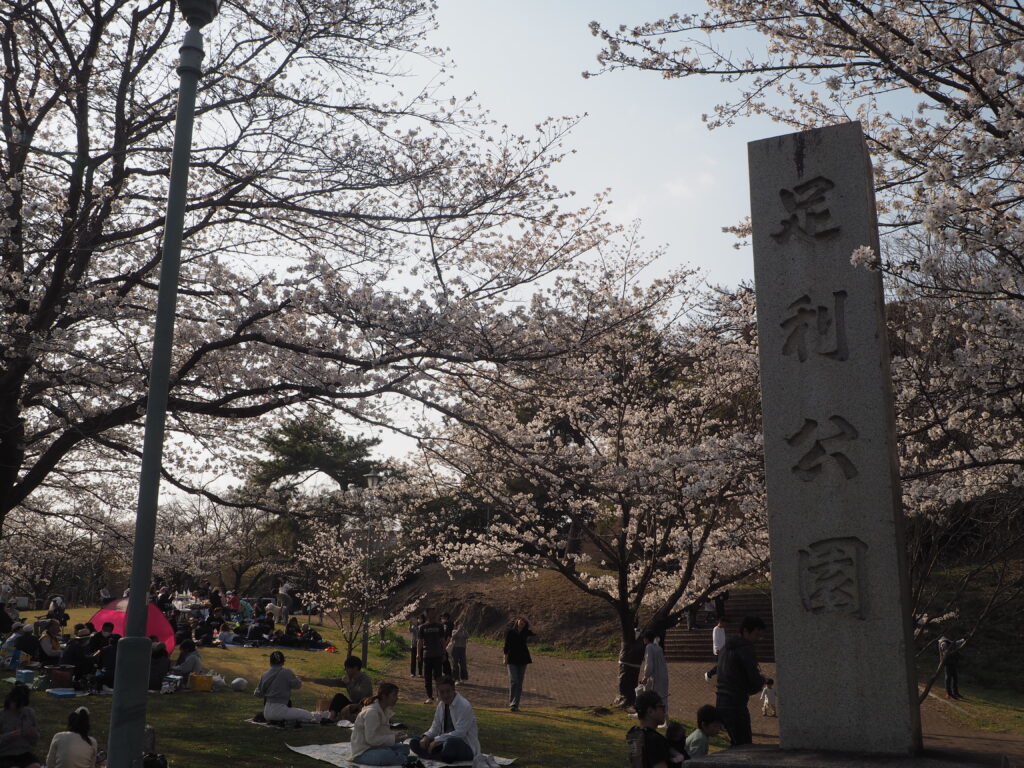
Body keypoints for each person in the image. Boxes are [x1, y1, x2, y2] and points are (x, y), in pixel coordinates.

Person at [715, 615, 766, 747]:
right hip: (736, 703)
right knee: (744, 746)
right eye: (756, 635)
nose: (758, 639)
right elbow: (753, 678)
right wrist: (760, 682)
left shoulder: (726, 648)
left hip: (721, 700)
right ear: (745, 631)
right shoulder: (745, 648)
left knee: (736, 744)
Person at [410, 676, 480, 763]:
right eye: (442, 692)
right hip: (442, 742)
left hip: (464, 745)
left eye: (448, 691)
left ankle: (434, 756)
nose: (445, 695)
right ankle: (437, 757)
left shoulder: (464, 706)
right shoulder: (441, 705)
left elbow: (460, 733)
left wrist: (437, 740)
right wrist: (426, 737)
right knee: (415, 742)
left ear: (453, 689)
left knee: (450, 744)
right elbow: (435, 727)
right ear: (437, 692)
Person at [349, 683, 410, 765]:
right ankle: (400, 758)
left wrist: (396, 735)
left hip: (377, 747)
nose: (397, 698)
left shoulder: (384, 709)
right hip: (363, 752)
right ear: (384, 696)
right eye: (394, 695)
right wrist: (394, 739)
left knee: (405, 748)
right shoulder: (372, 712)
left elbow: (382, 732)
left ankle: (396, 757)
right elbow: (371, 739)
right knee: (386, 755)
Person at [256, 651, 318, 724]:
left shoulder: (265, 674)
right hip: (280, 710)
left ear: (270, 663)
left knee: (296, 714)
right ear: (283, 662)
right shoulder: (287, 672)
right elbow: (298, 686)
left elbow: (258, 693)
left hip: (266, 712)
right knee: (308, 715)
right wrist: (297, 678)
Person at [0, 683, 41, 768]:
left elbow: (34, 742)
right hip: (5, 754)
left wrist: (34, 735)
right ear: (10, 700)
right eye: (17, 705)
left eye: (22, 705)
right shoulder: (2, 715)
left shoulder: (29, 713)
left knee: (35, 766)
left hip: (24, 752)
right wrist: (9, 735)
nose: (20, 709)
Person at [625, 690, 669, 768]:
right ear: (650, 711)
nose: (664, 711)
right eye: (662, 707)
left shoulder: (633, 733)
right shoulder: (655, 740)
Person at [502, 616, 534, 712]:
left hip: (523, 659)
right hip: (511, 659)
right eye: (521, 622)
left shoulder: (525, 632)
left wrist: (530, 622)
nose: (522, 624)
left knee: (519, 682)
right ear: (517, 622)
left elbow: (536, 632)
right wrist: (505, 658)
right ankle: (512, 702)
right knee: (514, 680)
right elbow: (506, 646)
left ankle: (515, 705)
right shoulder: (510, 632)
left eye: (524, 623)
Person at [328, 656, 373, 722]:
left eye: (347, 668)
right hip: (353, 705)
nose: (345, 670)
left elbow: (360, 697)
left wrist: (349, 684)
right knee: (338, 697)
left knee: (353, 706)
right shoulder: (349, 678)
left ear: (355, 668)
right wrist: (312, 680)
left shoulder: (365, 680)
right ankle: (331, 718)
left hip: (363, 707)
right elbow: (332, 682)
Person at [418, 611, 446, 704]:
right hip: (427, 655)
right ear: (426, 616)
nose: (431, 616)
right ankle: (429, 696)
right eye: (429, 615)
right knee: (427, 677)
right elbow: (420, 641)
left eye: (433, 614)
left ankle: (440, 696)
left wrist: (444, 652)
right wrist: (418, 654)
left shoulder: (439, 626)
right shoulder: (422, 627)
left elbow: (442, 640)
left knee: (438, 676)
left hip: (437, 654)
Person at [640, 630, 669, 716]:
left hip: (655, 677)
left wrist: (645, 676)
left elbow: (649, 664)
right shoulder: (658, 647)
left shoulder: (649, 647)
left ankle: (646, 714)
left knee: (649, 696)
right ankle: (665, 720)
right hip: (663, 675)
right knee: (663, 698)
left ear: (647, 639)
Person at [938, 634, 966, 700]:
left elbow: (957, 643)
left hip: (953, 663)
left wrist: (963, 639)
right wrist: (949, 651)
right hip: (947, 663)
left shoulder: (949, 642)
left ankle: (955, 693)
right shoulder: (943, 643)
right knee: (948, 679)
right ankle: (949, 694)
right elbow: (945, 651)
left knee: (955, 679)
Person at [704, 618, 727, 683]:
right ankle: (709, 674)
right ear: (721, 622)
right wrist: (717, 649)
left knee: (722, 665)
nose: (725, 624)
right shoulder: (716, 629)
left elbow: (723, 639)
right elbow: (715, 640)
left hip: (723, 650)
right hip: (718, 651)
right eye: (724, 623)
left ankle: (710, 674)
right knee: (721, 665)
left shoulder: (722, 629)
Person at [449, 619, 469, 683]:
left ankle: (464, 678)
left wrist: (464, 630)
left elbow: (467, 636)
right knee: (455, 664)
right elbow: (453, 637)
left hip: (462, 649)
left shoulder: (464, 631)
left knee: (463, 664)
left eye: (462, 624)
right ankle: (456, 678)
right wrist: (458, 630)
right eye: (459, 624)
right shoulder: (454, 631)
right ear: (457, 625)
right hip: (455, 649)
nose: (461, 625)